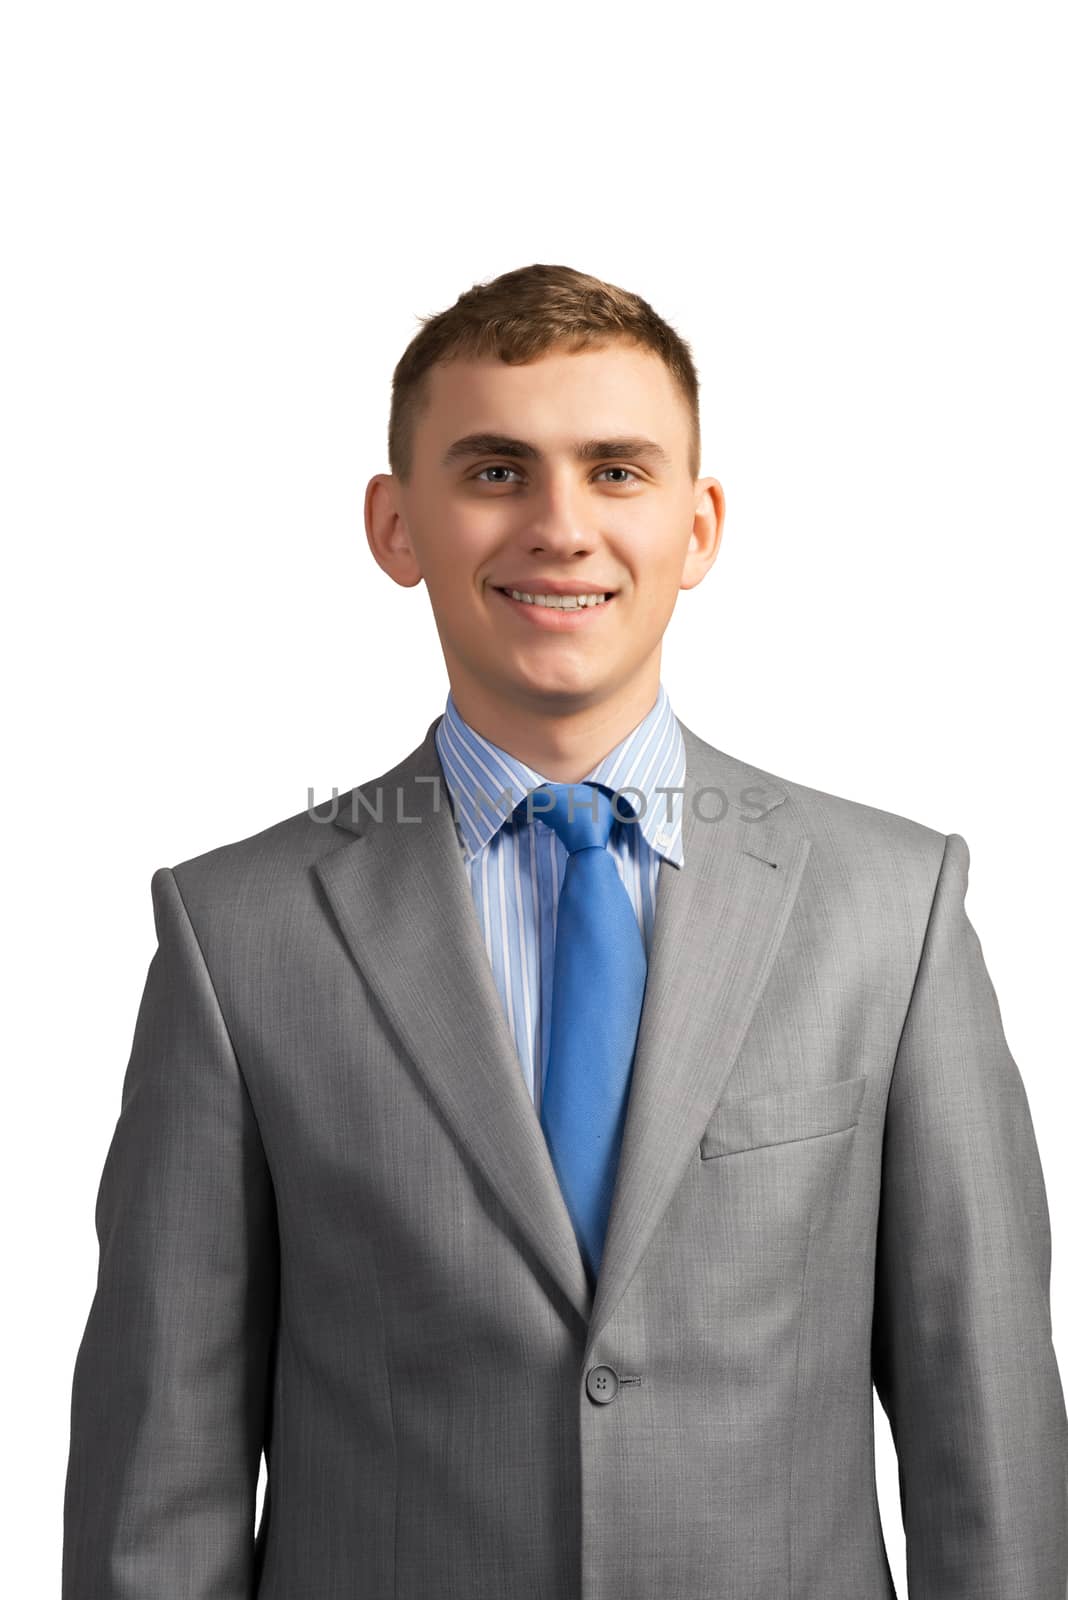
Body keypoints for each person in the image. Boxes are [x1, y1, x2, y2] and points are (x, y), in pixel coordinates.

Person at [62, 262, 1067, 1597]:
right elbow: (159, 1485)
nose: (559, 525)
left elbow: (986, 1440)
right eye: (494, 473)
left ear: (699, 527)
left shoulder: (895, 909)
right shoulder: (235, 936)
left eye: (616, 470)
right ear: (395, 524)